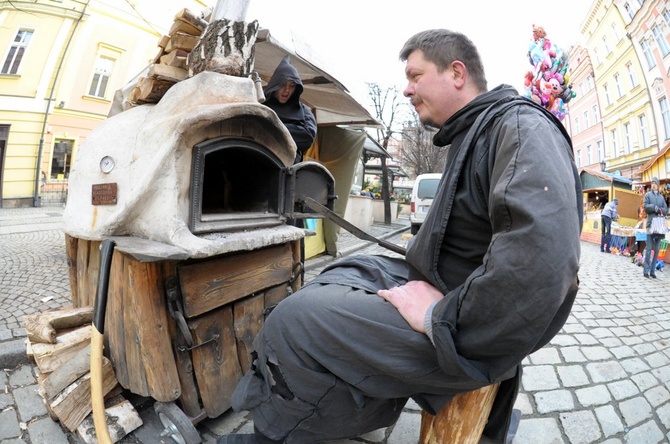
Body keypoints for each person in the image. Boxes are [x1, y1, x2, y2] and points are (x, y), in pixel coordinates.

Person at [219, 29, 582, 444]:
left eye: (415, 75)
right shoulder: (479, 130)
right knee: (337, 275)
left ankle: (270, 436)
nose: (407, 89)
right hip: (445, 291)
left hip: (467, 324)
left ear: (457, 73)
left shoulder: (519, 126)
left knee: (297, 321)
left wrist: (440, 317)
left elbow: (542, 264)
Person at [263, 55, 317, 164]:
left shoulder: (304, 111)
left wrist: (271, 128)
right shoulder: (261, 106)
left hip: (288, 169)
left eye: (292, 86)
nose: (287, 90)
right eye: (283, 84)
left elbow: (307, 137)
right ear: (276, 84)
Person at [642, 177, 667, 278]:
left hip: (659, 228)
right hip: (650, 226)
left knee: (656, 250)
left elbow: (666, 210)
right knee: (648, 249)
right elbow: (645, 207)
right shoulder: (647, 195)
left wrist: (660, 209)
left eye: (655, 183)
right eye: (652, 183)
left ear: (658, 185)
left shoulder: (661, 198)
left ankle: (652, 271)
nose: (653, 185)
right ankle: (646, 271)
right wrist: (654, 207)